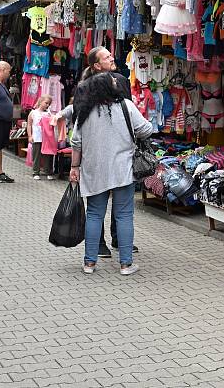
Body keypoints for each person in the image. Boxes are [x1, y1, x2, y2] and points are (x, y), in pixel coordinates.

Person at [70, 72, 154, 276]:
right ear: (108, 87)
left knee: (94, 214)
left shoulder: (84, 111)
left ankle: (89, 263)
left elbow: (76, 142)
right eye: (114, 81)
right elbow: (146, 129)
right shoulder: (126, 105)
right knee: (124, 215)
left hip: (94, 170)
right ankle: (126, 264)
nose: (117, 82)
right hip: (122, 169)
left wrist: (74, 167)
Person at [79, 46, 137, 258]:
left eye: (111, 54)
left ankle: (117, 240)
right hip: (98, 154)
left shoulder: (121, 80)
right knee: (100, 208)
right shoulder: (85, 87)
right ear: (96, 65)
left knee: (112, 208)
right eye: (106, 56)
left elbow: (128, 110)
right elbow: (79, 120)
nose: (112, 57)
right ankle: (101, 245)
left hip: (118, 150)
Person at [28, 95, 54, 180]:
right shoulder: (33, 112)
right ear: (40, 101)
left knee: (47, 155)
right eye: (46, 103)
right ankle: (36, 172)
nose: (47, 105)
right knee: (36, 155)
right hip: (37, 137)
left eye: (49, 104)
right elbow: (29, 124)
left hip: (47, 138)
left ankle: (48, 172)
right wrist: (30, 136)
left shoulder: (49, 113)